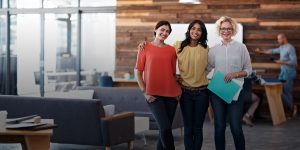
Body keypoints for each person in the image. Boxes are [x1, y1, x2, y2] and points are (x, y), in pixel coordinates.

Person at [139, 20, 210, 150]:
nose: (195, 31)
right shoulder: (177, 46)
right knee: (184, 129)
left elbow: (211, 67)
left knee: (197, 128)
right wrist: (145, 43)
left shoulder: (206, 49)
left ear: (202, 33)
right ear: (188, 30)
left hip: (201, 92)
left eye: (199, 29)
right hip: (185, 92)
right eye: (193, 28)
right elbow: (158, 51)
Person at [207, 16, 252, 150]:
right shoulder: (214, 49)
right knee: (219, 126)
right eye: (223, 28)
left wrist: (235, 74)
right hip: (218, 92)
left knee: (236, 126)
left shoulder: (241, 47)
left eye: (228, 28)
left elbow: (248, 69)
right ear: (219, 30)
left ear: (233, 30)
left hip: (235, 91)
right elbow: (207, 69)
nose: (225, 31)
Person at [135, 20, 181, 150]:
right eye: (162, 30)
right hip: (153, 95)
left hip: (172, 95)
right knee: (165, 128)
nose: (164, 33)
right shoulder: (144, 47)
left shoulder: (172, 50)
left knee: (164, 130)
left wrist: (178, 91)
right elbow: (138, 72)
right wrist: (144, 92)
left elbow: (173, 73)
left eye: (167, 31)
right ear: (155, 30)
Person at [255, 33, 297, 118]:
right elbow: (272, 51)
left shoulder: (290, 47)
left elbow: (294, 62)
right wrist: (260, 51)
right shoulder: (282, 48)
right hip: (283, 73)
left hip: (289, 73)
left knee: (287, 92)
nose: (278, 41)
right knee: (280, 91)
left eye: (279, 39)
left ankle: (291, 109)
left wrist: (279, 62)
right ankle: (290, 108)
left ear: (284, 38)